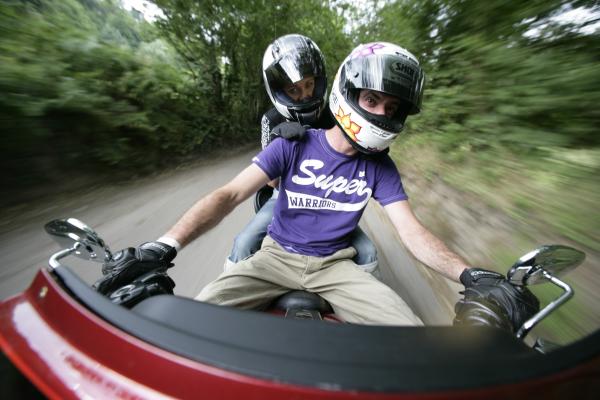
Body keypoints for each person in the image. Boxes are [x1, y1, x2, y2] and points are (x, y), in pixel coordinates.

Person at [99, 42, 538, 328]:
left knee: (415, 339)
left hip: (335, 265)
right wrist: (165, 246)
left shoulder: (381, 166)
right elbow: (229, 194)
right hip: (273, 257)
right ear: (349, 94)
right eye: (371, 99)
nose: (382, 113)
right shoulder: (290, 142)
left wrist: (472, 274)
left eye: (392, 106)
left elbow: (412, 232)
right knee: (183, 327)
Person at [226, 34, 379, 274]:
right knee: (243, 243)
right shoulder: (271, 119)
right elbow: (271, 181)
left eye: (309, 85)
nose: (305, 94)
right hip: (284, 197)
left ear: (318, 82)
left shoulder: (335, 114)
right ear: (280, 91)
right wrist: (279, 141)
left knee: (368, 252)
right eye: (294, 89)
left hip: (333, 199)